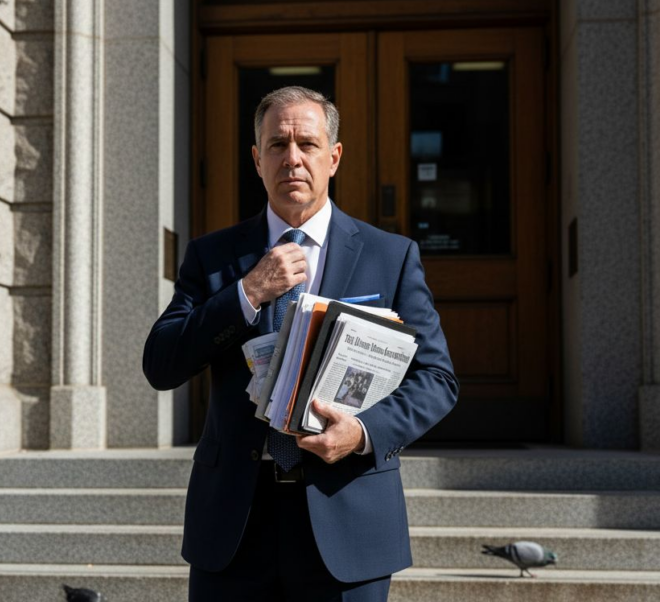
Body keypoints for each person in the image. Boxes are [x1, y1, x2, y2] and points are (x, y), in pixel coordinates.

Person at [143, 86, 458, 601]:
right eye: (277, 145)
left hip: (346, 515)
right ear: (256, 159)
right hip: (234, 523)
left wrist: (361, 432)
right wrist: (246, 292)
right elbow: (161, 364)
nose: (292, 158)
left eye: (307, 144)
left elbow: (437, 380)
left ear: (333, 157)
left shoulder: (391, 256)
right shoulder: (213, 257)